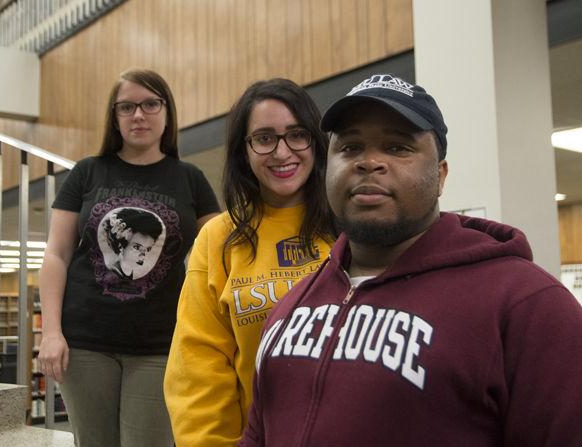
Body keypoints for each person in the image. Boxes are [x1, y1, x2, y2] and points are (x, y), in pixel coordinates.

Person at [239, 74, 582, 446]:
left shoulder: (528, 306)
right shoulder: (292, 307)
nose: (369, 162)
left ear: (440, 175)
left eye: (398, 147)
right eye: (350, 147)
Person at [38, 68, 220, 447]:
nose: (139, 115)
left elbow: (220, 250)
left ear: (167, 112)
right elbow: (56, 254)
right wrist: (51, 332)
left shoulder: (190, 179)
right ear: (115, 116)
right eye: (127, 107)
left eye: (151, 104)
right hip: (85, 342)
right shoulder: (87, 173)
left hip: (160, 344)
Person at [164, 78, 336, 446]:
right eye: (264, 138)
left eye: (296, 134)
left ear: (316, 141)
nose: (282, 151)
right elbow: (198, 366)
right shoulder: (218, 238)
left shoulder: (350, 229)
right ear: (244, 151)